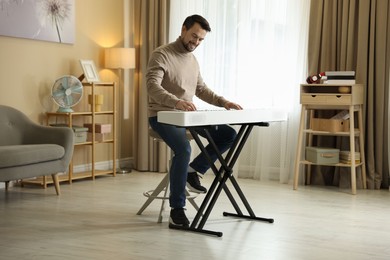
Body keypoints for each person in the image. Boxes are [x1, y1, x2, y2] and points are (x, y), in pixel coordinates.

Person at [146, 14, 242, 228]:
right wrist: (176, 102)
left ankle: (194, 170)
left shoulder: (193, 60)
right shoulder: (161, 54)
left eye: (200, 40)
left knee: (229, 135)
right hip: (162, 116)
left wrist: (223, 101)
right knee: (184, 149)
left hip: (187, 115)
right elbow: (152, 87)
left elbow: (200, 89)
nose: (196, 42)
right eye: (194, 36)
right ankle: (177, 210)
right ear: (183, 29)